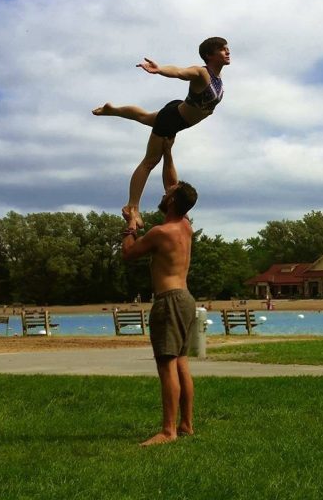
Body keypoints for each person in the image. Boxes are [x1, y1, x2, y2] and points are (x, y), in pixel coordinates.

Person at [94, 37, 230, 231]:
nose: (227, 52)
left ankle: (112, 110)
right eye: (222, 49)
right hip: (172, 119)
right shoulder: (202, 73)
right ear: (209, 55)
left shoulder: (218, 78)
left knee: (144, 117)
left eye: (227, 48)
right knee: (150, 161)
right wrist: (159, 69)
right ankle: (132, 206)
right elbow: (180, 72)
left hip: (177, 116)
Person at [120, 178, 200, 447]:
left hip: (169, 301)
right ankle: (186, 424)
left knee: (167, 366)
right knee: (181, 362)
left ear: (173, 201)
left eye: (169, 192)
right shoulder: (185, 226)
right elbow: (173, 180)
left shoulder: (161, 233)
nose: (165, 192)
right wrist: (167, 154)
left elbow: (128, 252)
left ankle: (168, 431)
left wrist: (131, 224)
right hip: (186, 299)